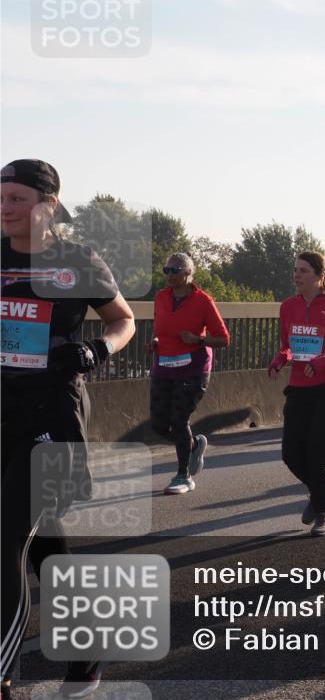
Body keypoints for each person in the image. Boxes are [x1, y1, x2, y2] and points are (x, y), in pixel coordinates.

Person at [2, 159, 136, 698]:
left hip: (53, 415)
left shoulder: (76, 260)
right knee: (43, 547)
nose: (5, 207)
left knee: (8, 533)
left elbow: (121, 318)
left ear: (48, 203)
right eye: (0, 197)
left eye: (16, 197)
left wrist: (97, 348)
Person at [268, 252, 325, 536]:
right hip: (299, 386)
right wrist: (279, 359)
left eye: (304, 271)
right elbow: (288, 346)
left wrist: (321, 362)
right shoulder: (288, 307)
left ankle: (323, 513)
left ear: (320, 277)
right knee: (291, 453)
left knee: (317, 453)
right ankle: (323, 487)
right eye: (295, 270)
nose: (297, 276)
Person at [149, 253, 231, 494]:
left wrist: (198, 339)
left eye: (174, 270)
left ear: (188, 273)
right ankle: (193, 445)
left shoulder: (203, 301)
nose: (169, 275)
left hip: (193, 368)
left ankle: (183, 475)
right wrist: (154, 340)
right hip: (163, 366)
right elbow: (159, 327)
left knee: (178, 419)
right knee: (158, 424)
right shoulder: (161, 297)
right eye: (166, 269)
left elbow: (224, 339)